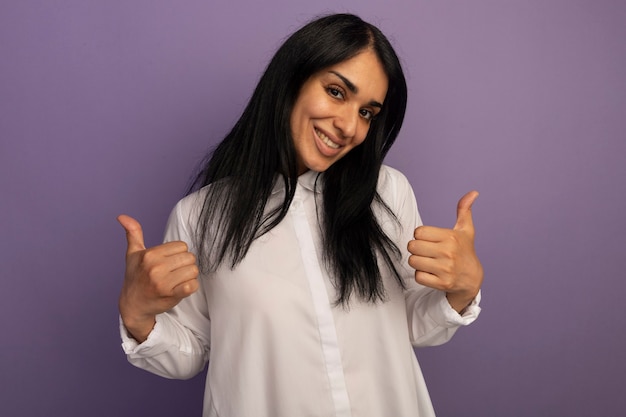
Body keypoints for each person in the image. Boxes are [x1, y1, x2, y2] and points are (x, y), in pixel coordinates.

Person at [117, 13, 483, 417]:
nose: (348, 126)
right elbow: (190, 351)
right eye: (337, 92)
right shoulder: (201, 217)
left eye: (368, 112)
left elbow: (413, 323)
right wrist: (138, 314)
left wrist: (462, 290)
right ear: (291, 81)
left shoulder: (387, 192)